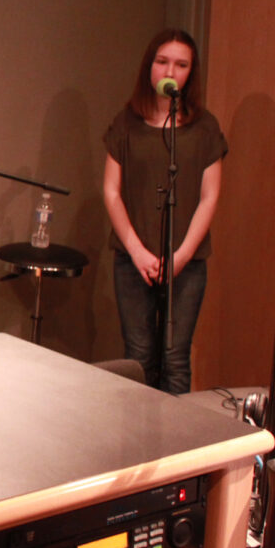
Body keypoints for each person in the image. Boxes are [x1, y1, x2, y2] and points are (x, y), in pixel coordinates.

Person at [102, 28, 226, 394]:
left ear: (191, 72)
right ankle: (138, 447)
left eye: (181, 64)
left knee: (175, 358)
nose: (170, 71)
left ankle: (178, 448)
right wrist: (138, 251)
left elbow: (210, 197)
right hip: (132, 260)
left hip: (186, 264)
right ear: (149, 66)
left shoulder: (205, 128)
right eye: (162, 61)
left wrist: (181, 256)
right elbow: (111, 191)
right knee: (139, 358)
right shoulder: (126, 122)